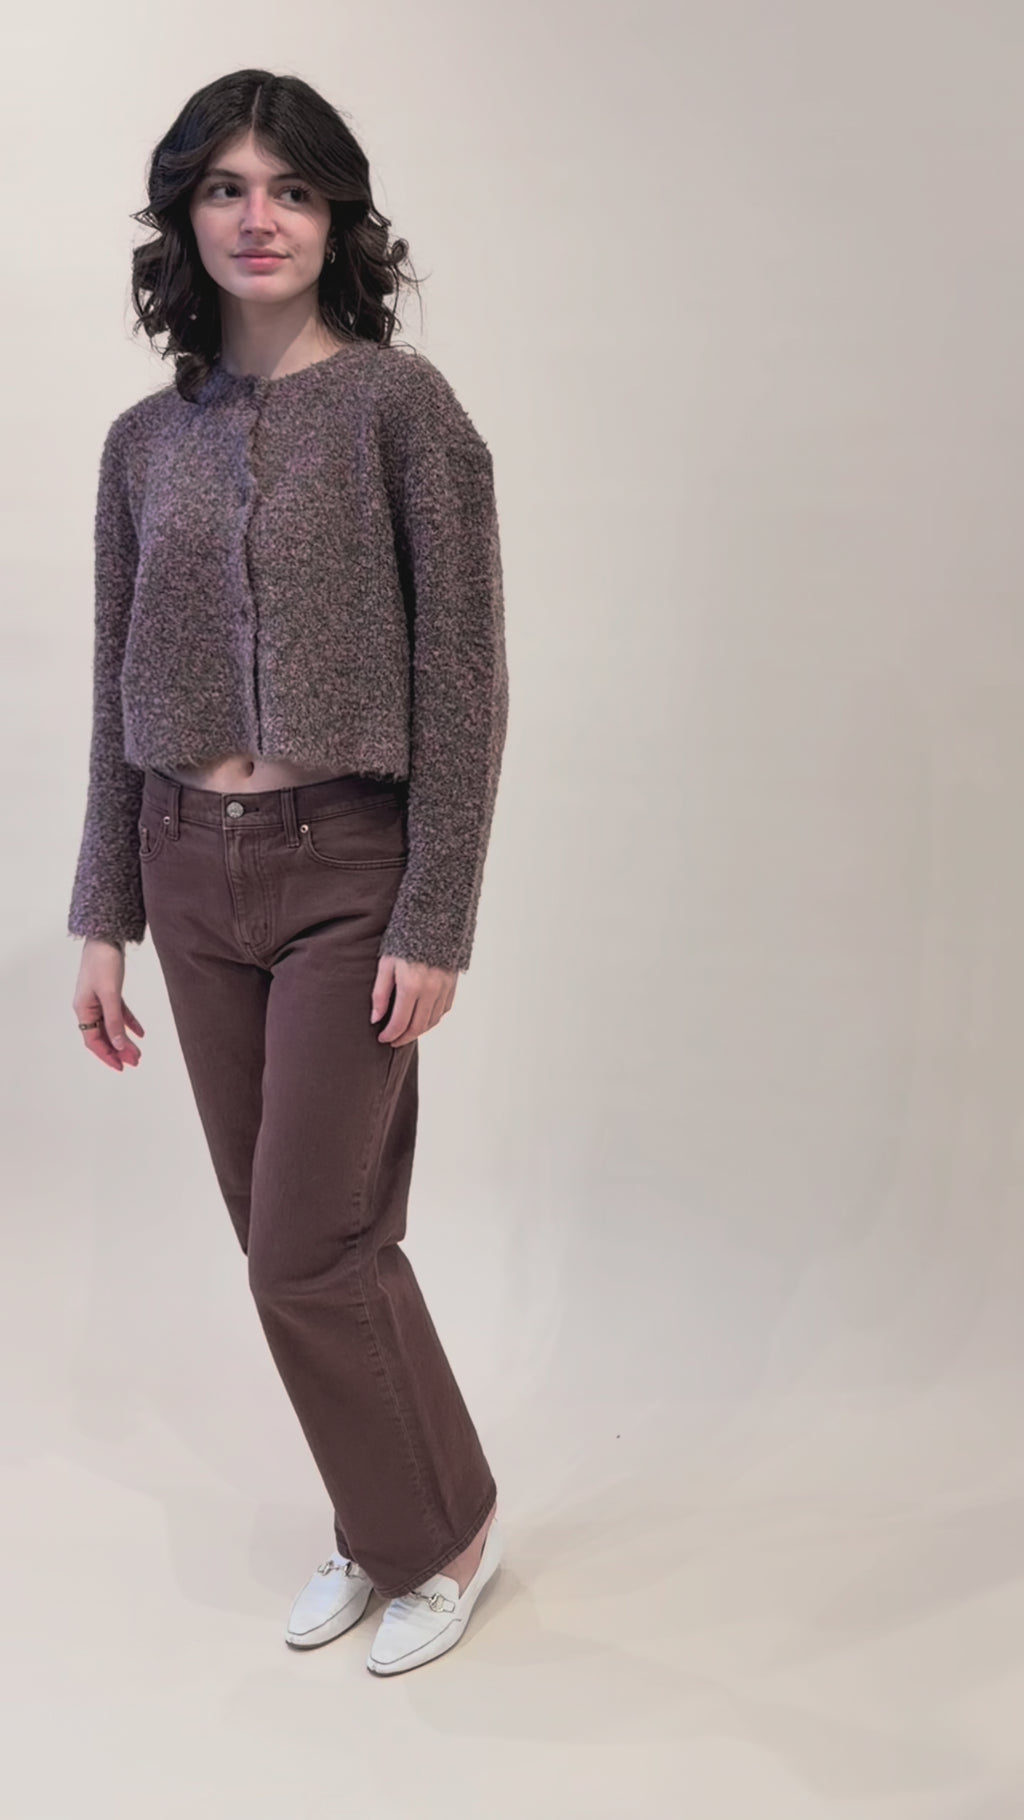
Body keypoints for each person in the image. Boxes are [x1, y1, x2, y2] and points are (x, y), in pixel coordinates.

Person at [67, 67, 509, 1676]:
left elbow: (464, 676)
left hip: (348, 867)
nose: (261, 218)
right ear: (185, 217)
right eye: (227, 189)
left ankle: (437, 1536)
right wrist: (104, 913)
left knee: (306, 1247)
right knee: (298, 1237)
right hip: (188, 868)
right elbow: (114, 681)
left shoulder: (404, 409)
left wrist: (436, 911)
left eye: (295, 190)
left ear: (338, 219)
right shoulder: (142, 445)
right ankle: (391, 1519)